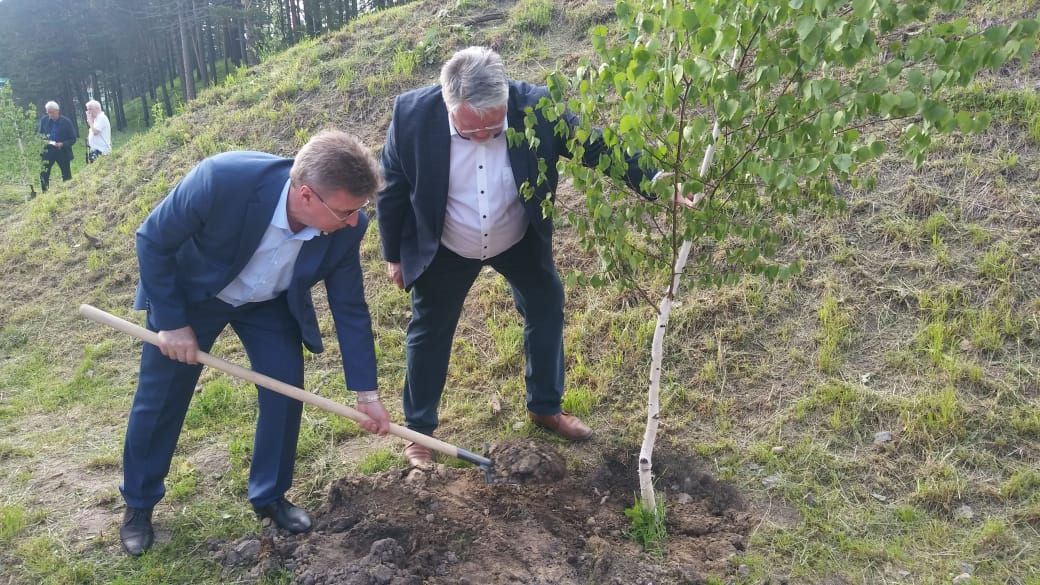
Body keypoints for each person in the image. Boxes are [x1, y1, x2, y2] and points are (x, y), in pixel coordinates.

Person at [377, 47, 660, 467]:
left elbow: (597, 147)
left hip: (517, 236)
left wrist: (656, 180)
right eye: (472, 131)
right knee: (429, 331)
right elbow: (392, 187)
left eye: (495, 127)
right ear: (448, 105)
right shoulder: (412, 115)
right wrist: (394, 255)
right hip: (449, 241)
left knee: (546, 306)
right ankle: (419, 433)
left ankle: (545, 406)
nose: (485, 138)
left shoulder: (537, 107)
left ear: (506, 98)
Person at [119, 130, 391, 556]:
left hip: (267, 304)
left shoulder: (346, 228)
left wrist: (366, 393)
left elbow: (350, 308)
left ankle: (270, 496)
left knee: (286, 388)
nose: (355, 220)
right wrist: (171, 324)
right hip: (193, 297)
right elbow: (152, 239)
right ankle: (139, 503)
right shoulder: (222, 180)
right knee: (161, 398)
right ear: (306, 196)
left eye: (359, 210)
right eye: (346, 211)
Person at [38, 101, 76, 191]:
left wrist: (63, 144)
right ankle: (45, 193)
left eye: (51, 112)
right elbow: (40, 135)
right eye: (48, 112)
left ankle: (68, 191)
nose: (49, 114)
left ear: (57, 111)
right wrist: (44, 140)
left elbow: (73, 139)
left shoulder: (66, 122)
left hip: (62, 151)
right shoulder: (44, 120)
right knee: (44, 173)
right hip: (47, 151)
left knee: (66, 174)